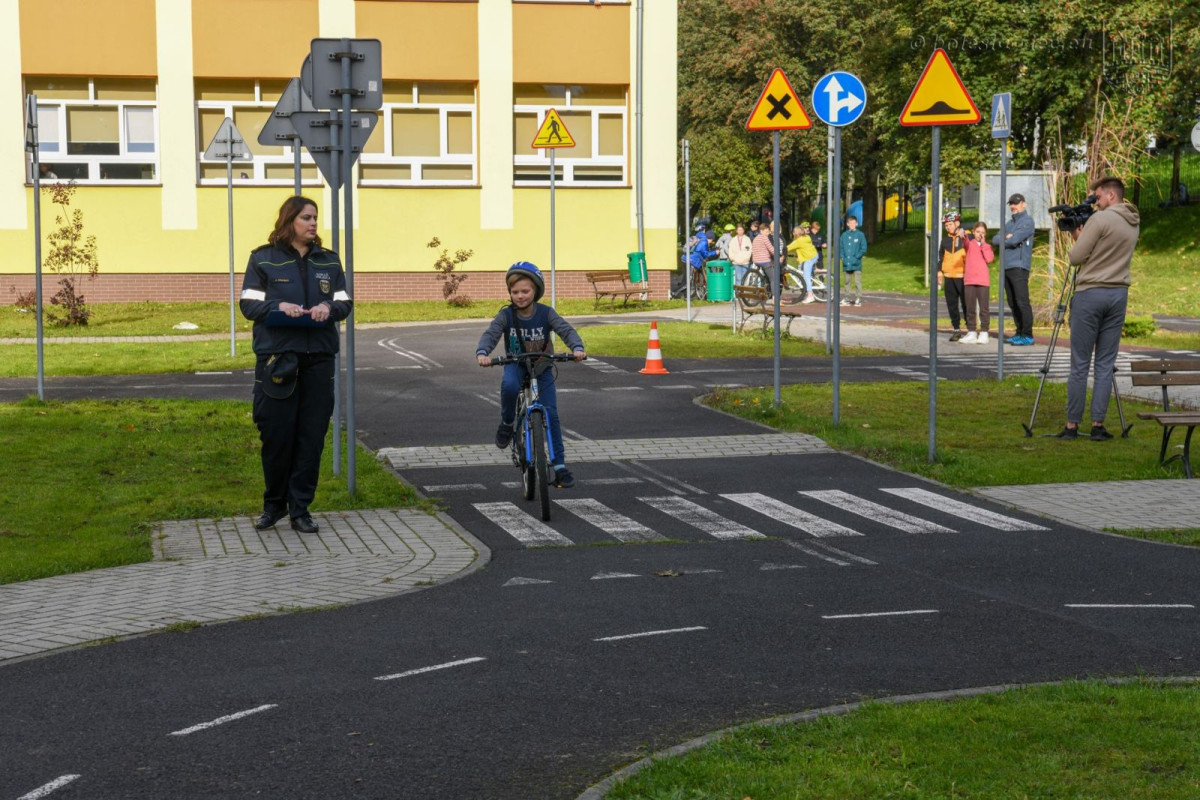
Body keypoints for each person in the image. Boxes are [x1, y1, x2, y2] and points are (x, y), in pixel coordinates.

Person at [239, 196, 352, 534]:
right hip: (278, 360)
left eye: (315, 217)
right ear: (289, 221)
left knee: (311, 437)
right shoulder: (263, 258)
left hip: (318, 359)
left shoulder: (329, 260)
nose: (313, 223)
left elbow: (344, 301)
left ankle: (300, 509)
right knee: (277, 435)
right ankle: (273, 505)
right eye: (306, 217)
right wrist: (278, 306)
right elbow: (248, 304)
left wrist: (328, 309)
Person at [476, 262, 586, 486]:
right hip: (516, 364)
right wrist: (483, 352)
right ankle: (508, 423)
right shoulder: (506, 315)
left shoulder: (546, 313)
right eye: (515, 292)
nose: (520, 296)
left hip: (542, 367)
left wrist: (577, 348)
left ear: (536, 290)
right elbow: (491, 334)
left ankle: (559, 466)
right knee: (509, 387)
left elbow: (565, 330)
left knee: (551, 414)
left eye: (525, 291)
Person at [1055, 177, 1140, 441]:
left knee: (1080, 362)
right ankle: (1098, 425)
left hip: (1091, 293)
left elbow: (1076, 257)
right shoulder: (1133, 221)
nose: (1096, 202)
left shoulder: (1100, 220)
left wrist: (1076, 234)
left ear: (1111, 195)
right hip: (1118, 293)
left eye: (1099, 196)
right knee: (1105, 363)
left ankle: (1072, 424)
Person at [993, 193, 1036, 346]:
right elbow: (995, 239)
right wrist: (1006, 237)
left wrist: (1007, 238)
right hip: (1006, 267)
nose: (1013, 206)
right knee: (1012, 302)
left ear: (1023, 204)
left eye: (1016, 203)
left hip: (1019, 266)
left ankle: (1027, 335)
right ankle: (1019, 333)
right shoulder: (1009, 223)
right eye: (1011, 203)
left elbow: (1014, 240)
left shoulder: (1027, 221)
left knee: (1022, 301)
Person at [961, 221, 995, 344]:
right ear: (973, 232)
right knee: (970, 307)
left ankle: (984, 332)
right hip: (970, 280)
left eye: (983, 232)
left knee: (984, 308)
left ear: (985, 234)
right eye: (978, 232)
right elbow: (965, 241)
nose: (980, 234)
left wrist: (984, 244)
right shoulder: (970, 244)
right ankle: (971, 332)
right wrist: (963, 234)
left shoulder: (987, 246)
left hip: (982, 281)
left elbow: (989, 259)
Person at [937, 212, 968, 339]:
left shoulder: (966, 236)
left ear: (957, 223)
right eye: (946, 225)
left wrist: (964, 236)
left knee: (966, 304)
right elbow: (940, 256)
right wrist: (939, 271)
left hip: (963, 276)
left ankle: (971, 329)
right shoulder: (945, 240)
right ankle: (956, 329)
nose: (948, 227)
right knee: (952, 304)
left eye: (950, 224)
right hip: (949, 277)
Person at [786, 222, 820, 303]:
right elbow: (803, 248)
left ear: (796, 233)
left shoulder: (798, 241)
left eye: (794, 232)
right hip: (814, 255)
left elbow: (787, 248)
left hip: (809, 258)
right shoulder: (807, 237)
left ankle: (810, 295)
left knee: (806, 276)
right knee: (807, 272)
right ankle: (817, 271)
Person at [839, 215, 868, 306]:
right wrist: (842, 257)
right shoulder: (844, 235)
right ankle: (847, 297)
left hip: (856, 263)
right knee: (847, 281)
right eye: (850, 223)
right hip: (846, 263)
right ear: (847, 224)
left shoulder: (860, 234)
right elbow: (841, 248)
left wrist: (857, 257)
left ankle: (858, 298)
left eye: (853, 223)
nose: (852, 225)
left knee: (857, 281)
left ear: (856, 224)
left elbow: (863, 248)